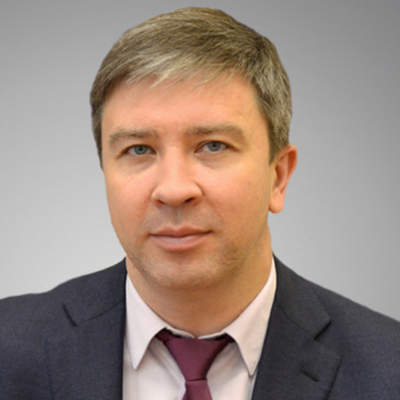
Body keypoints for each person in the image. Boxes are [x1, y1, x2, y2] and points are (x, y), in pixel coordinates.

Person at [0, 7, 399, 400]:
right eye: (139, 149)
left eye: (213, 146)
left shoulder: (388, 370)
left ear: (278, 176)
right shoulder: (9, 349)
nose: (174, 190)